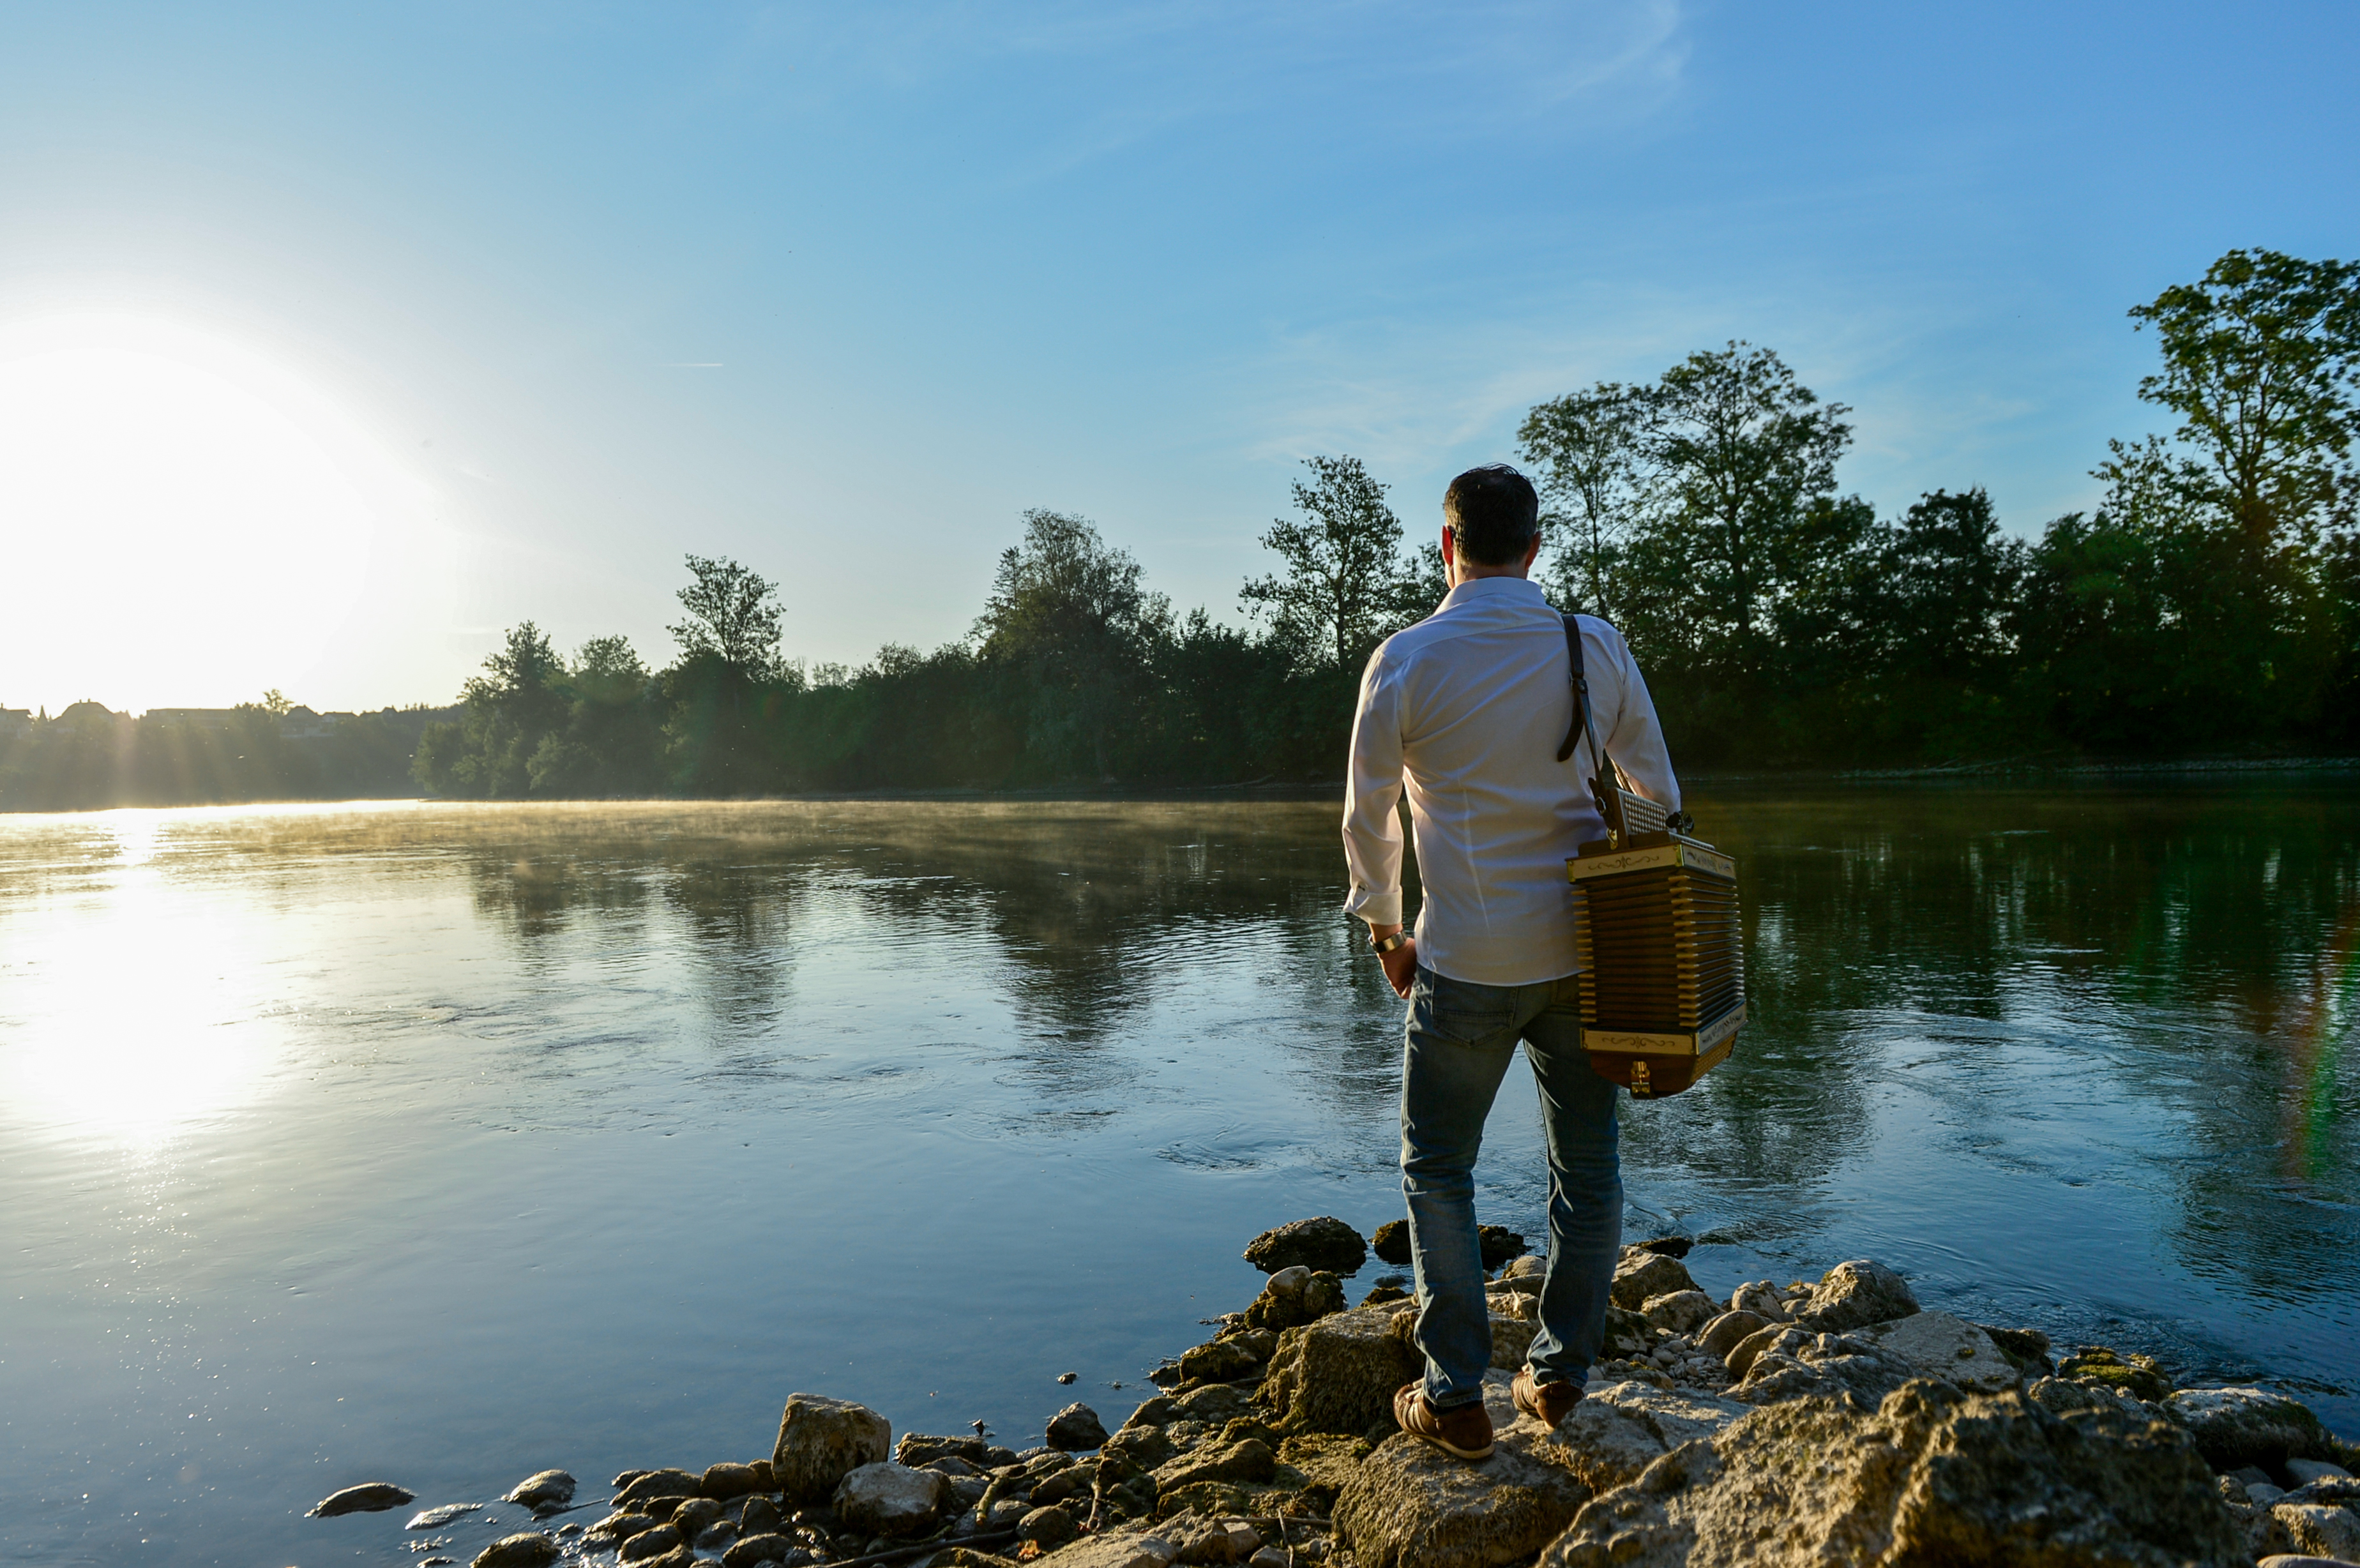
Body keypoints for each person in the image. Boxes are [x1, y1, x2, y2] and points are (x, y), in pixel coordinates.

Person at [1342, 463, 1680, 1460]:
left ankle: (1453, 1396)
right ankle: (1561, 1376)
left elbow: (1369, 820)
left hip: (1463, 961)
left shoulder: (1403, 660)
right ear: (1535, 547)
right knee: (1588, 1168)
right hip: (1586, 958)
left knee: (1439, 1170)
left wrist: (1388, 934)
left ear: (1446, 545)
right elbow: (1656, 797)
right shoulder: (1596, 646)